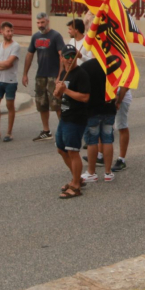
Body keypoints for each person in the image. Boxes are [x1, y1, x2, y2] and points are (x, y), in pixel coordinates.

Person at [53, 44, 91, 199]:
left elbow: (85, 97)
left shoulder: (81, 74)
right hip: (65, 116)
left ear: (76, 57)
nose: (69, 59)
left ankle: (76, 186)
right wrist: (57, 92)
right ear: (62, 58)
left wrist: (65, 90)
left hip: (76, 118)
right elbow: (60, 94)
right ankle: (77, 178)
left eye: (72, 56)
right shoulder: (64, 73)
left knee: (73, 151)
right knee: (61, 149)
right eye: (66, 56)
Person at [23, 12, 65, 141]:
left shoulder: (56, 36)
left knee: (57, 105)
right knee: (42, 104)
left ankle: (64, 131)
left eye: (42, 22)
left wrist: (60, 76)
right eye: (38, 23)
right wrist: (25, 74)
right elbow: (29, 55)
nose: (40, 25)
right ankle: (46, 131)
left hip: (53, 76)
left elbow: (61, 56)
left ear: (47, 22)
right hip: (41, 75)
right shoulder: (35, 37)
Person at [80, 52, 117, 184]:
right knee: (107, 139)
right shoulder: (113, 65)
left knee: (92, 141)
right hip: (109, 108)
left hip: (92, 109)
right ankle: (108, 172)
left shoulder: (85, 66)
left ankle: (91, 172)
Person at [0, 22, 20, 142]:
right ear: (1, 31)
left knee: (9, 106)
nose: (10, 33)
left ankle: (9, 132)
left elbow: (9, 63)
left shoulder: (15, 46)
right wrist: (0, 64)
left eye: (11, 31)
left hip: (10, 81)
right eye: (7, 31)